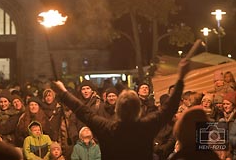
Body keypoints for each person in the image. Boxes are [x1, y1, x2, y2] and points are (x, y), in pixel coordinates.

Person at [52, 58, 189, 160]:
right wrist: (181, 77)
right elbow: (169, 109)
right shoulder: (147, 126)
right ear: (138, 110)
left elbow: (82, 111)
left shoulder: (106, 127)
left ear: (117, 109)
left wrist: (63, 92)